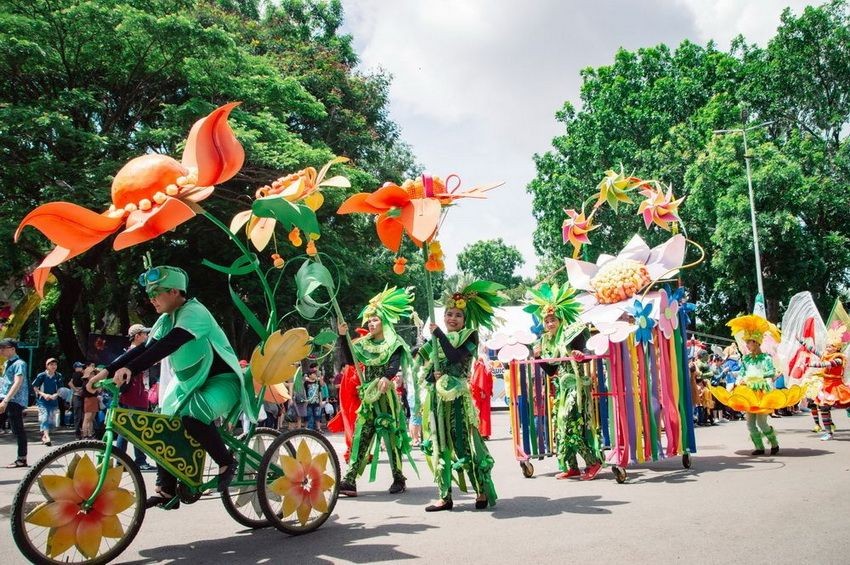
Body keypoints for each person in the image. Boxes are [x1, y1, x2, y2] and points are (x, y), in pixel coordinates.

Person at [89, 265, 256, 510]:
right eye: (150, 293)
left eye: (158, 292)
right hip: (190, 385)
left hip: (223, 382)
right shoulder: (166, 319)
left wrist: (131, 370)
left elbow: (166, 346)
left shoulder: (194, 312)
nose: (152, 298)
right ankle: (166, 488)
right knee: (162, 425)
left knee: (193, 415)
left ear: (176, 292)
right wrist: (106, 370)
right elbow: (143, 349)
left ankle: (225, 461)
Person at [419, 280, 504, 511]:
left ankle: (480, 490)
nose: (452, 318)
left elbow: (456, 358)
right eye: (449, 314)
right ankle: (445, 496)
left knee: (463, 444)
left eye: (457, 315)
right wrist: (434, 376)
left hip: (458, 399)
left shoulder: (470, 336)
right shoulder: (433, 344)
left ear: (464, 320)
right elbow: (424, 374)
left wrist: (439, 335)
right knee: (440, 445)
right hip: (438, 401)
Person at [337, 286, 416, 498]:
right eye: (369, 320)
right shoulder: (363, 344)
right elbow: (349, 359)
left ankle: (398, 477)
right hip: (368, 398)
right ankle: (350, 480)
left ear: (384, 321)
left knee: (391, 438)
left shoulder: (394, 343)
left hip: (386, 397)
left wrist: (387, 377)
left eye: (375, 320)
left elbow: (394, 363)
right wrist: (342, 336)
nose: (371, 323)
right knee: (361, 436)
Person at [526, 283, 602, 480]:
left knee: (571, 425)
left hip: (576, 386)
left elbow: (586, 352)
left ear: (560, 319)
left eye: (553, 320)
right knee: (560, 426)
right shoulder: (545, 341)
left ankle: (594, 462)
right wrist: (537, 358)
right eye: (547, 320)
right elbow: (551, 370)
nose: (550, 324)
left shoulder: (572, 333)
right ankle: (573, 466)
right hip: (561, 389)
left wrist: (580, 354)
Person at [727, 315, 781, 456]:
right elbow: (742, 373)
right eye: (746, 342)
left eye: (749, 342)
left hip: (761, 391)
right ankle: (759, 447)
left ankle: (774, 443)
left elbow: (770, 372)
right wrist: (739, 381)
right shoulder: (745, 359)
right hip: (748, 392)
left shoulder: (766, 358)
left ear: (756, 342)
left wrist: (760, 379)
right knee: (750, 424)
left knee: (762, 423)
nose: (747, 344)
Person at [113, 324, 155, 470]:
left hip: (128, 397)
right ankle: (140, 461)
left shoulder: (126, 354)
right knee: (138, 429)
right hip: (135, 397)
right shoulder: (136, 354)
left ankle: (120, 461)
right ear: (137, 336)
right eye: (144, 334)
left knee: (124, 431)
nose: (147, 337)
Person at [804, 323, 850, 440]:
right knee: (823, 407)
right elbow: (815, 351)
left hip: (837, 386)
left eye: (830, 346)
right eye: (827, 346)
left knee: (847, 405)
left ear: (837, 348)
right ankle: (828, 432)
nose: (827, 348)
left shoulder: (839, 358)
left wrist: (812, 364)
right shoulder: (826, 355)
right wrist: (802, 343)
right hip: (826, 386)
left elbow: (828, 364)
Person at [0, 338, 29, 467]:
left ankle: (22, 458)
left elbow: (18, 382)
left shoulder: (19, 363)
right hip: (4, 399)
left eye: (3, 348)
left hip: (14, 401)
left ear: (12, 349)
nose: (1, 350)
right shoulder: (7, 363)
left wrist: (6, 400)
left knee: (17, 429)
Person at [32, 357, 63, 446]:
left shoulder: (58, 376)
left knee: (51, 421)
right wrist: (44, 394)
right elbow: (35, 387)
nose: (54, 366)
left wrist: (55, 395)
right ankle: (47, 437)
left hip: (53, 400)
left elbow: (61, 388)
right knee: (45, 417)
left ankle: (44, 435)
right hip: (42, 401)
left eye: (55, 364)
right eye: (51, 364)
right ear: (47, 366)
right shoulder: (41, 375)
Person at [469, 354, 493, 439]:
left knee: (480, 414)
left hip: (479, 393)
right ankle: (484, 433)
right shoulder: (482, 365)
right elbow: (482, 379)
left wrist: (482, 391)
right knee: (484, 415)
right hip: (482, 393)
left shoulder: (479, 365)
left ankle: (482, 433)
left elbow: (479, 379)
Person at [69, 361, 86, 439]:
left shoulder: (82, 374)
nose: (81, 368)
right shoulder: (76, 374)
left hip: (80, 395)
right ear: (76, 368)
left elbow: (70, 383)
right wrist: (77, 390)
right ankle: (78, 433)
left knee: (81, 415)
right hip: (77, 396)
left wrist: (76, 390)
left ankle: (81, 432)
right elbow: (70, 383)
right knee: (78, 415)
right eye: (80, 367)